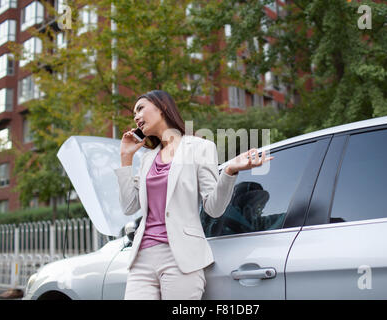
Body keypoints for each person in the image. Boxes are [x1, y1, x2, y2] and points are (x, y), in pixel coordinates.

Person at [114, 90, 274, 300]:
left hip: (181, 258)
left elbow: (213, 208)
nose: (135, 117)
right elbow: (129, 206)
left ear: (161, 107)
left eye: (140, 108)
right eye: (134, 113)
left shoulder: (199, 148)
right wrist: (126, 158)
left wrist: (229, 171)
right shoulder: (147, 158)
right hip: (142, 259)